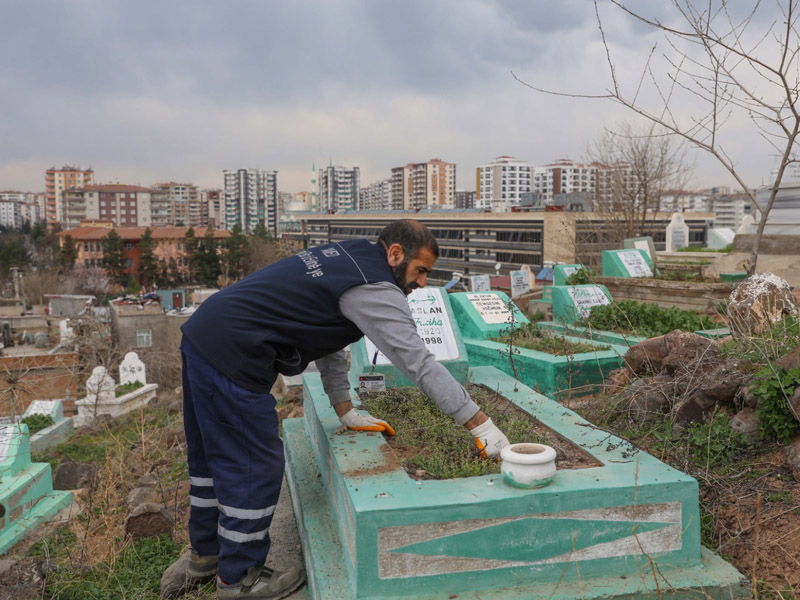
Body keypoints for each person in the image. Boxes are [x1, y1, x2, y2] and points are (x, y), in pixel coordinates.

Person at [160, 219, 510, 599]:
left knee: (212, 459)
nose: (423, 282)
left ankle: (206, 557)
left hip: (204, 335)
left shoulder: (351, 255)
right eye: (421, 270)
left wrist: (344, 409)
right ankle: (240, 578)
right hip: (235, 353)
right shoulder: (375, 287)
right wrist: (480, 425)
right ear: (395, 254)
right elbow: (418, 363)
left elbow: (323, 332)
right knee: (251, 465)